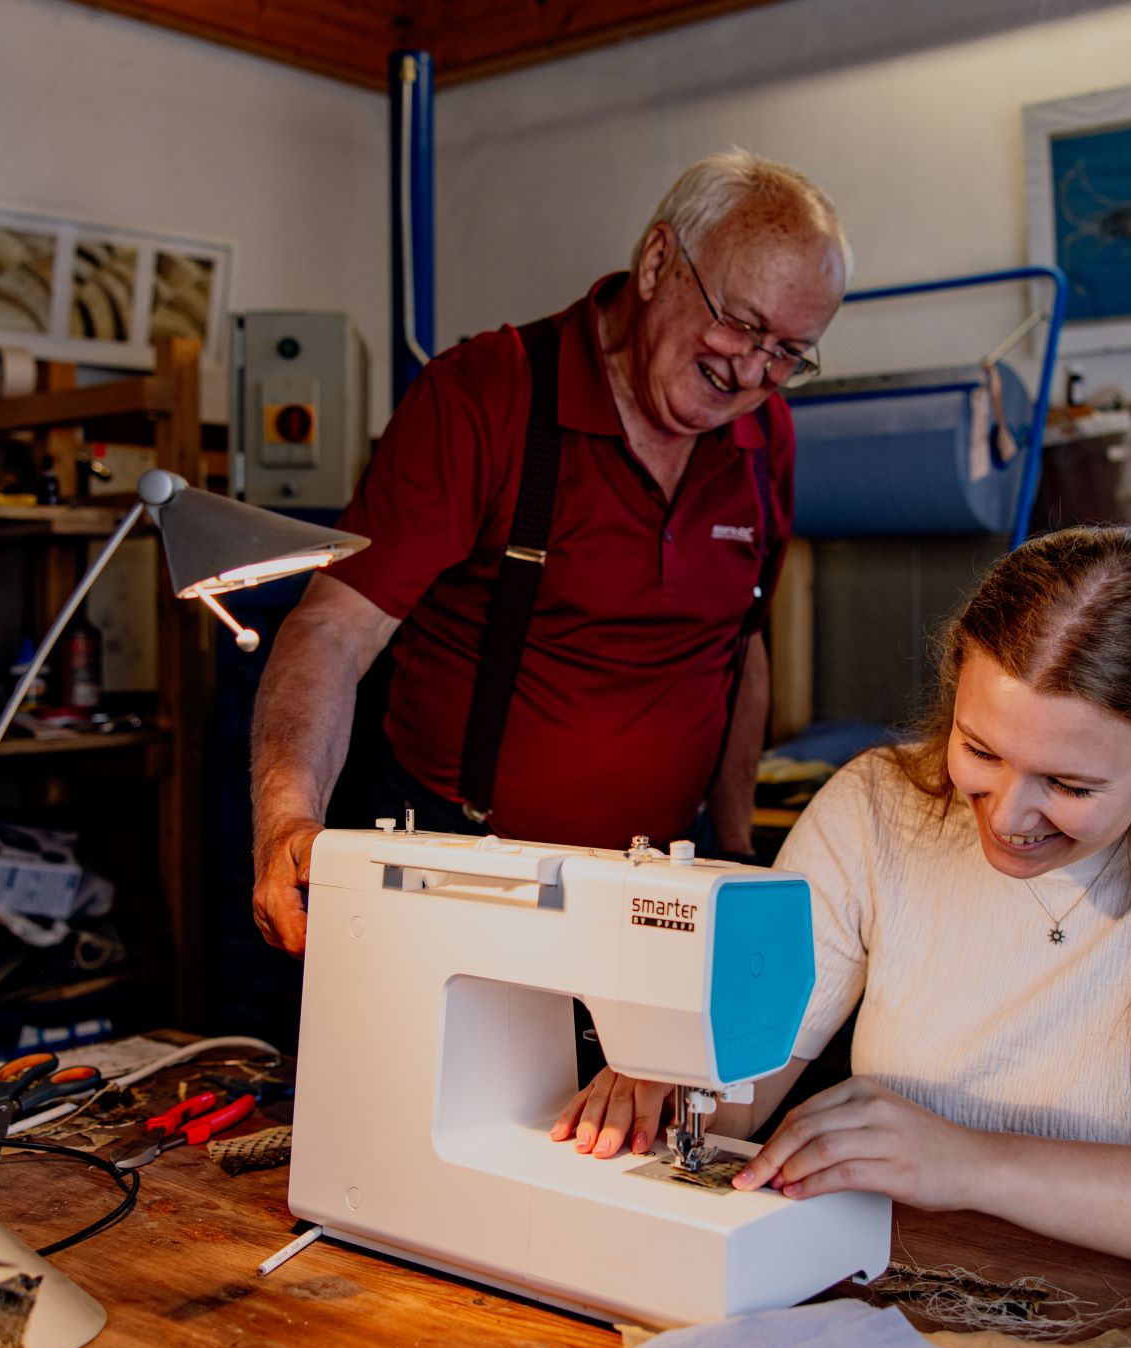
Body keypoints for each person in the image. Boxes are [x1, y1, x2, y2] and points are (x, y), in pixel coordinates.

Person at [551, 527, 1131, 1288]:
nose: (1008, 815)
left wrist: (972, 1164)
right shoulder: (876, 809)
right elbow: (735, 1088)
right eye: (980, 749)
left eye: (1070, 784)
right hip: (898, 1290)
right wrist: (664, 1073)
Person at [252, 149, 851, 955]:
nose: (750, 369)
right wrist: (288, 817)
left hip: (662, 885)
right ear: (657, 262)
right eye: (741, 323)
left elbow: (738, 647)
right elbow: (332, 627)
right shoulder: (484, 396)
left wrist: (735, 849)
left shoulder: (764, 435)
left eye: (788, 352)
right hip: (462, 871)